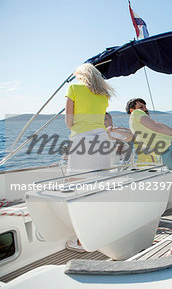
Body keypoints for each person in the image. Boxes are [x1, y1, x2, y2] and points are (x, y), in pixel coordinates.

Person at [64, 63, 115, 251]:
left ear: (81, 76)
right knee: (99, 188)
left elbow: (69, 122)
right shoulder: (104, 94)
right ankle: (103, 234)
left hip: (82, 141)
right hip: (102, 141)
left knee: (78, 191)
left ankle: (82, 240)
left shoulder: (73, 88)